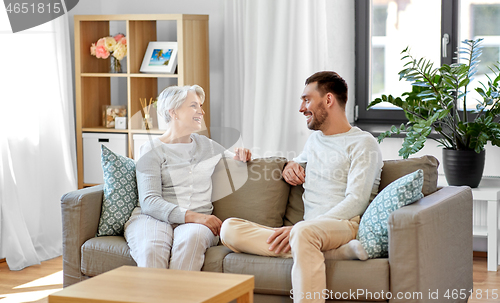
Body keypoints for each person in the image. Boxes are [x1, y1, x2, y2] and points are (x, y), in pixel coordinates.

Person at [220, 71, 383, 303]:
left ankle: (314, 243)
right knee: (229, 229)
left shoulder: (364, 143)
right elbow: (299, 160)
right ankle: (334, 254)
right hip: (308, 232)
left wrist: (305, 227)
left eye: (307, 99)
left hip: (343, 225)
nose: (301, 108)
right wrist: (290, 164)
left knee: (302, 232)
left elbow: (356, 201)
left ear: (328, 100)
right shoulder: (315, 140)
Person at [124, 85, 251, 270]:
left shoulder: (207, 146)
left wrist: (243, 153)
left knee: (190, 245)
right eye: (194, 105)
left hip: (198, 222)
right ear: (173, 112)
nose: (202, 111)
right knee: (151, 249)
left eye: (200, 105)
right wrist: (195, 217)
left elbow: (236, 157)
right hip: (154, 218)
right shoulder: (150, 149)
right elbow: (150, 201)